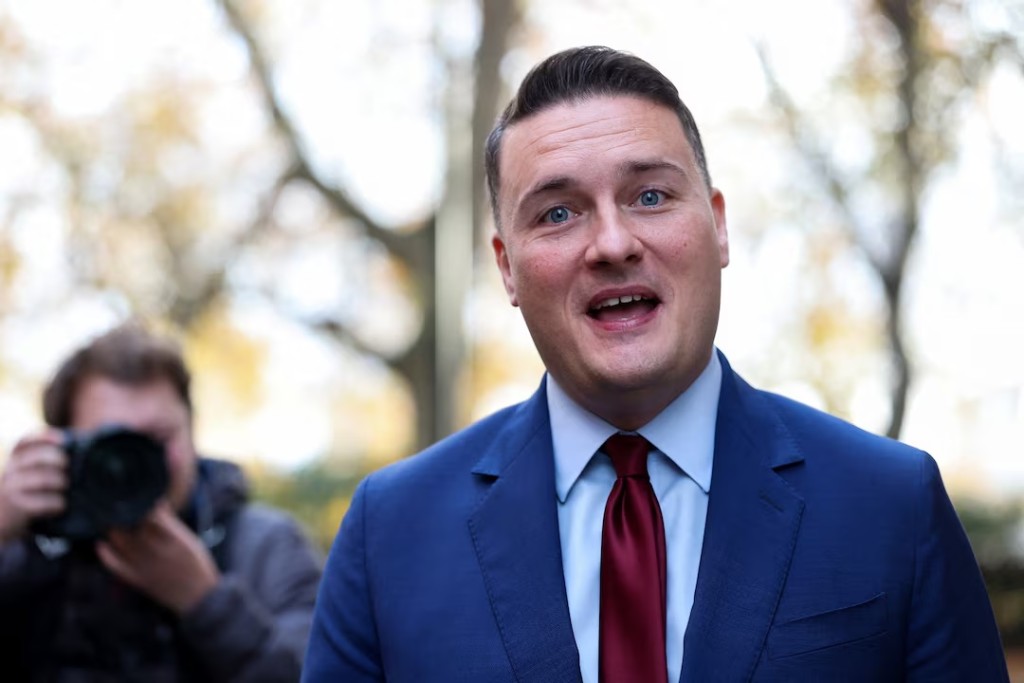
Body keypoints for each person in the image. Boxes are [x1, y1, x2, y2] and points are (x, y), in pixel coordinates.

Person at [302, 46, 1008, 682]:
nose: (612, 242)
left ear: (719, 224)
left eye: (649, 195)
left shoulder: (891, 504)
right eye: (556, 213)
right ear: (506, 269)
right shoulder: (388, 535)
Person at [0, 323, 323, 681]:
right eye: (113, 444)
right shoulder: (31, 551)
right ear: (63, 447)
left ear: (192, 430)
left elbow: (321, 675)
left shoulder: (265, 547)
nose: (135, 462)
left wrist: (205, 601)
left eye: (159, 438)